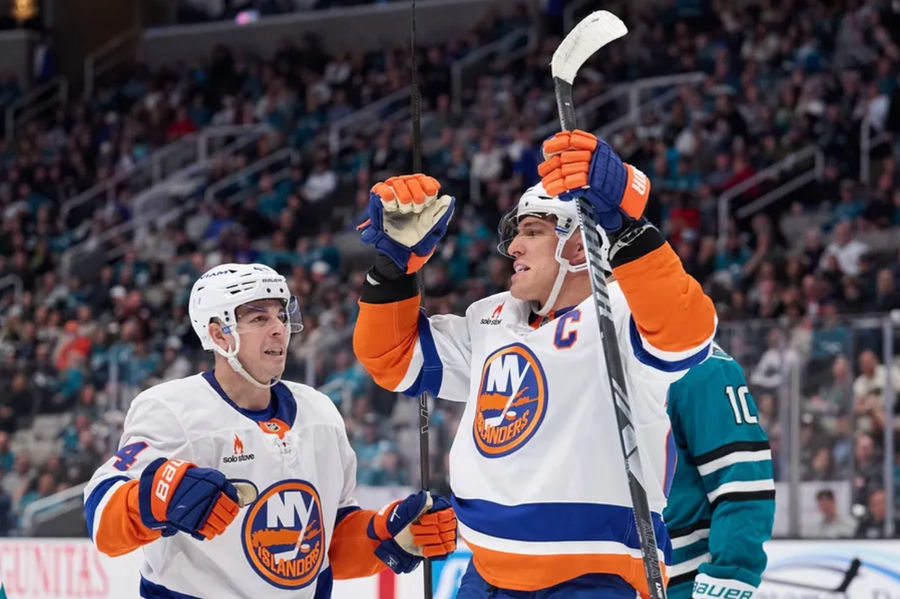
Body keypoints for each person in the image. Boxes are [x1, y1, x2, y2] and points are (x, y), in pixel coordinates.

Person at [353, 129, 717, 597]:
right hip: (484, 574)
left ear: (581, 246)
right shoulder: (491, 317)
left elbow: (688, 336)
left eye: (533, 231)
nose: (514, 248)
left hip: (596, 581)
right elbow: (393, 359)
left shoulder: (625, 312)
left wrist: (627, 228)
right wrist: (391, 272)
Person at [83, 263, 457, 598]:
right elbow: (103, 519)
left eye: (280, 316)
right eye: (259, 319)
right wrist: (153, 500)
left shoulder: (320, 412)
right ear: (218, 335)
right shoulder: (172, 410)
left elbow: (328, 543)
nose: (279, 329)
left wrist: (387, 534)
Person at [663, 346, 775, 599]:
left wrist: (726, 582)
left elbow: (743, 485)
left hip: (679, 583)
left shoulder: (702, 365)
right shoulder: (586, 355)